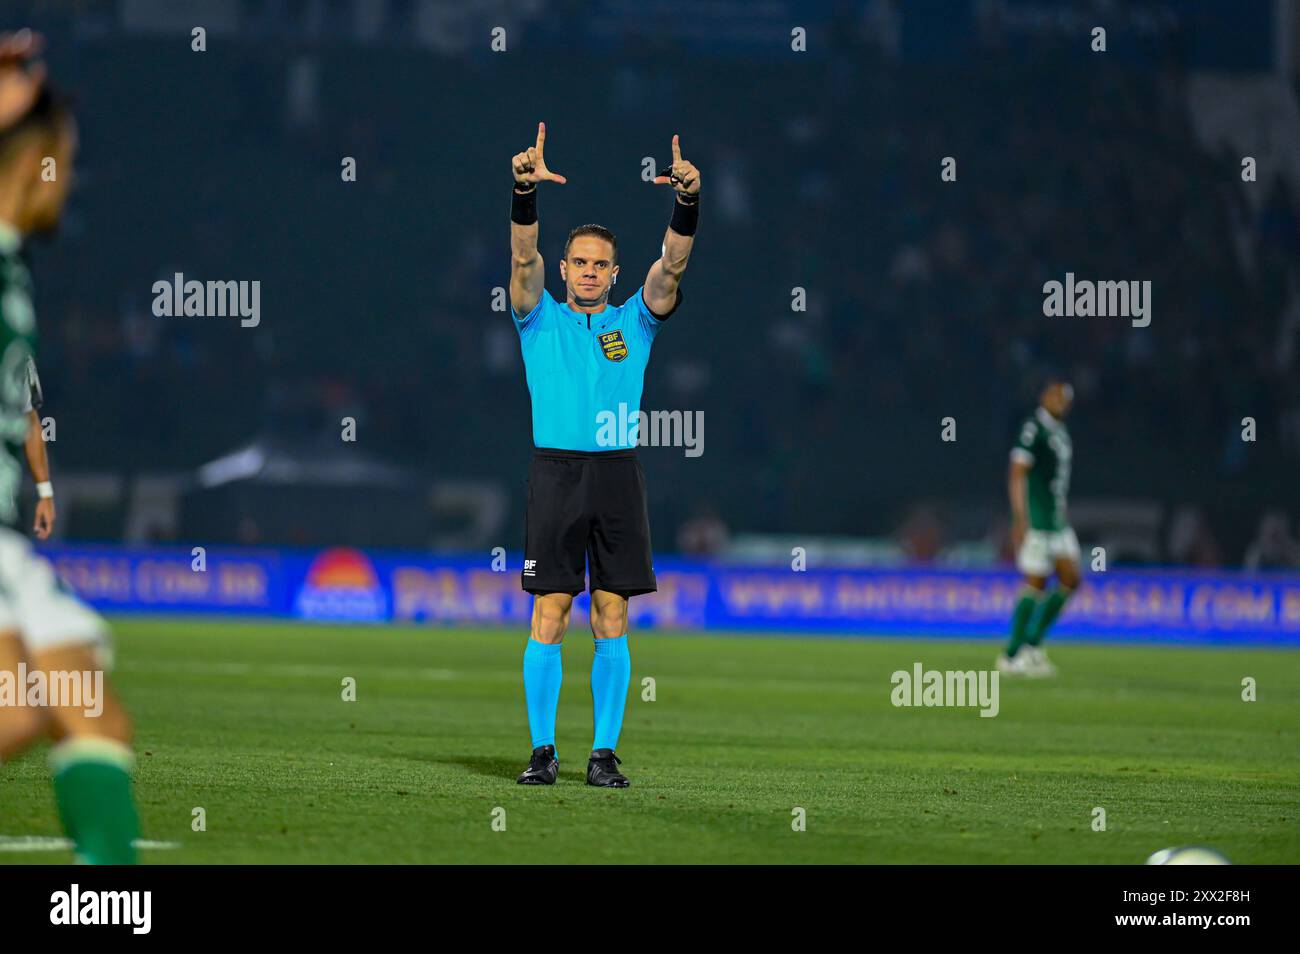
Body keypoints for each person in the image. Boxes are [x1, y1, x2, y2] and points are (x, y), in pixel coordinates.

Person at [507, 123, 699, 786]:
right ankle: (541, 751)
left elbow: (671, 266)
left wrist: (687, 203)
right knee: (550, 609)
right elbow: (522, 259)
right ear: (565, 270)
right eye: (579, 262)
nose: (588, 272)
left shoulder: (635, 320)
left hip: (617, 475)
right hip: (556, 473)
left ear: (614, 275)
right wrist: (524, 191)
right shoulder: (538, 316)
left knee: (612, 612)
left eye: (600, 265)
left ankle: (603, 754)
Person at [0, 73, 141, 864]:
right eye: (66, 157)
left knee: (90, 715)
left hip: (5, 545)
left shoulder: (12, 265)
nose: (71, 176)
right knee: (21, 713)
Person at [999, 376, 1079, 677]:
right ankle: (1012, 654)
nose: (1060, 402)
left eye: (1065, 399)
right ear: (1044, 396)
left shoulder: (1059, 431)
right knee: (1035, 582)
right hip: (1038, 519)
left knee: (1071, 578)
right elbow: (1017, 473)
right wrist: (1020, 517)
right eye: (1056, 396)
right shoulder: (1034, 428)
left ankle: (1032, 645)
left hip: (1057, 520)